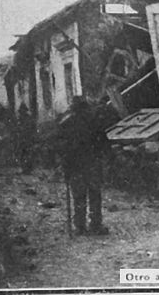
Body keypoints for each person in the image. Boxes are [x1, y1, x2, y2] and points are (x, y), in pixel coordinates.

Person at [60, 96, 109, 235]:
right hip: (92, 163)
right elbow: (104, 142)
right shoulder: (95, 121)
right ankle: (95, 225)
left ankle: (80, 227)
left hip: (75, 165)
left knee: (78, 196)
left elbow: (62, 147)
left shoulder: (67, 123)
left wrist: (65, 166)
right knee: (94, 194)